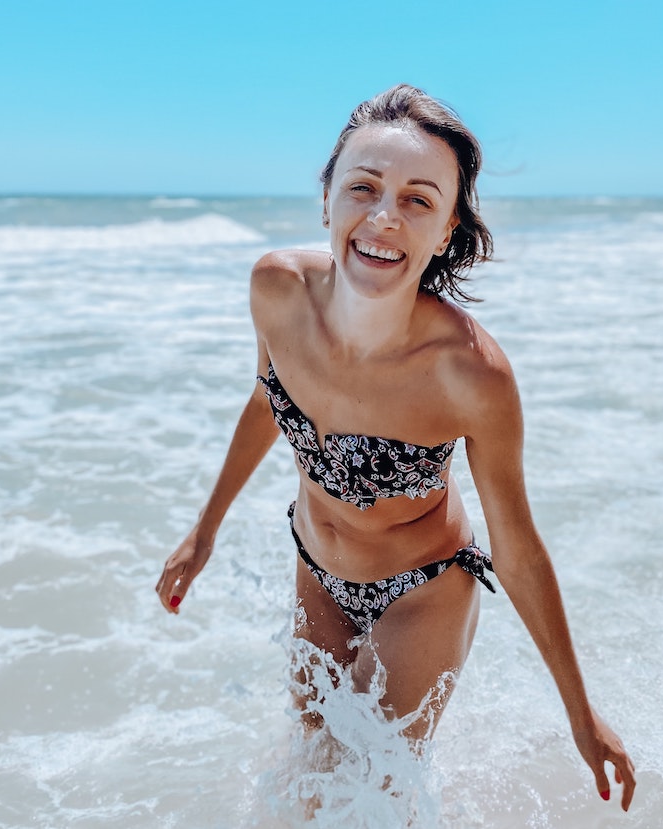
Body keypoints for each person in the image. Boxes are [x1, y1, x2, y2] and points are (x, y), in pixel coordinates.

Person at [156, 84, 636, 811]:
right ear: (327, 199)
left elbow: (519, 544)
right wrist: (205, 527)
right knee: (307, 776)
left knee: (371, 796)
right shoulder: (276, 289)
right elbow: (266, 397)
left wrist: (580, 710)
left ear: (445, 229)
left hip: (423, 590)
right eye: (364, 187)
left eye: (418, 199)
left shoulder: (472, 374)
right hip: (316, 571)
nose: (384, 216)